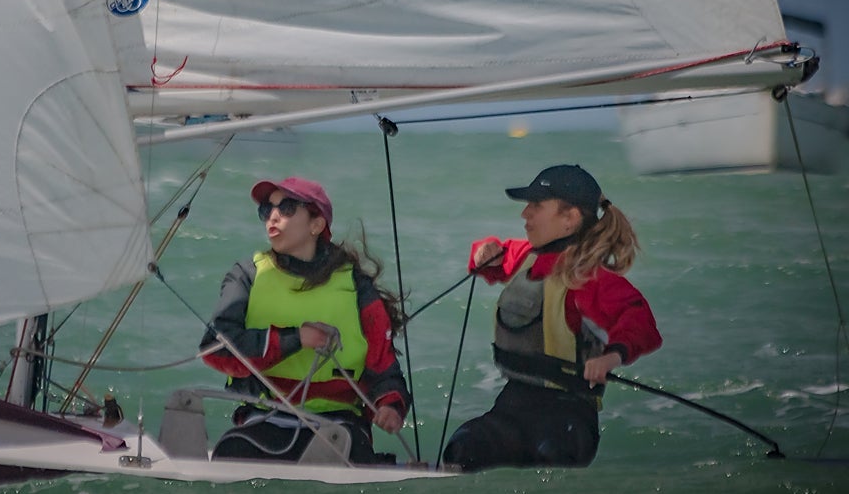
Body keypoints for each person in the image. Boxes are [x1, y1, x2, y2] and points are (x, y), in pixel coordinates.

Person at [443, 164, 661, 472]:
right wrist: (484, 252)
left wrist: (612, 357)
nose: (525, 215)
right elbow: (494, 256)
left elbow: (640, 321)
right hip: (513, 404)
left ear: (570, 219)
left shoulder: (591, 279)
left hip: (568, 416)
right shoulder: (527, 257)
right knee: (464, 447)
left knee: (549, 456)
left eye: (536, 206)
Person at [200, 176, 411, 464]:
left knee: (351, 457)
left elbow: (383, 367)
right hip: (265, 417)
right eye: (266, 210)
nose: (273, 217)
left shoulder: (355, 285)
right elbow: (215, 348)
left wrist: (390, 406)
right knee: (232, 452)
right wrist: (295, 339)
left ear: (316, 224)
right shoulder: (247, 275)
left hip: (340, 424)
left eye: (286, 208)